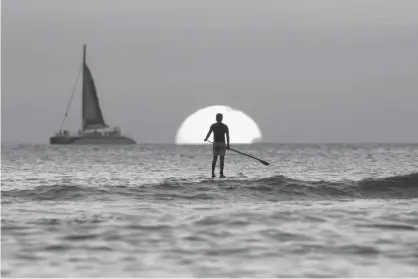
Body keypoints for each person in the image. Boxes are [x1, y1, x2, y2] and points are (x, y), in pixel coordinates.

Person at [204, 113, 230, 178]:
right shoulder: (225, 126)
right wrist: (228, 145)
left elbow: (209, 133)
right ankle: (221, 174)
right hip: (222, 144)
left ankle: (213, 174)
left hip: (216, 144)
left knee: (215, 158)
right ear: (222, 118)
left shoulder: (213, 125)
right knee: (221, 159)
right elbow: (227, 136)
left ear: (216, 118)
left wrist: (206, 138)